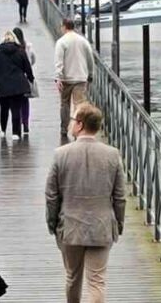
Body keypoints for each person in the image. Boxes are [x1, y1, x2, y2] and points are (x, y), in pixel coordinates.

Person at [45, 103, 125, 303]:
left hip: (70, 226)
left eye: (73, 120)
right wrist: (119, 223)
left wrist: (52, 223)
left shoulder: (60, 154)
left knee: (73, 277)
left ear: (80, 125)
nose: (72, 124)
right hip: (101, 225)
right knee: (97, 281)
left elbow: (51, 195)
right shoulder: (112, 155)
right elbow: (120, 197)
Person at [0, 30, 34, 141]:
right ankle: (16, 133)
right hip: (18, 85)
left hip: (2, 86)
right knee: (16, 109)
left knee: (4, 109)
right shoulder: (21, 51)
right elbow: (27, 67)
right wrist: (31, 78)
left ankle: (3, 130)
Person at [54, 18, 94, 135]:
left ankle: (64, 128)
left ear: (64, 27)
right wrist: (90, 74)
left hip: (66, 78)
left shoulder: (61, 42)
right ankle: (80, 128)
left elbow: (59, 61)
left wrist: (58, 77)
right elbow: (90, 59)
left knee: (64, 103)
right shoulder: (83, 41)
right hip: (81, 77)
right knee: (79, 104)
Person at [12, 27, 38, 135]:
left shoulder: (12, 48)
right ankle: (25, 123)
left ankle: (17, 123)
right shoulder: (27, 47)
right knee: (25, 101)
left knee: (15, 102)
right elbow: (33, 59)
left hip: (14, 77)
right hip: (25, 77)